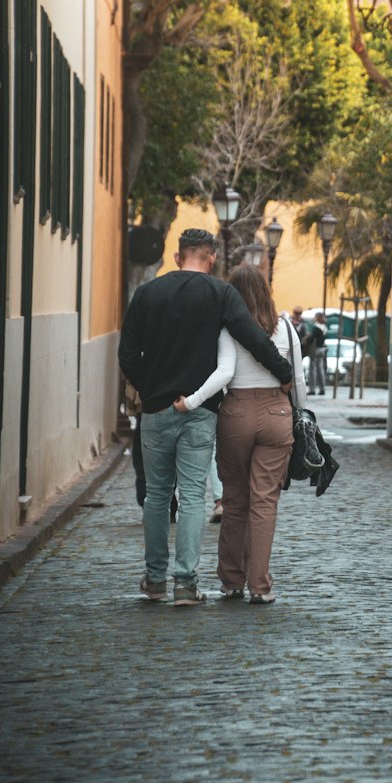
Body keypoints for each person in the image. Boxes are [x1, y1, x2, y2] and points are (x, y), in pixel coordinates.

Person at [118, 228, 292, 607]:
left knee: (157, 496)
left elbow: (127, 353)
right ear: (211, 258)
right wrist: (282, 372)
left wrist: (149, 389)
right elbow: (252, 336)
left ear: (178, 256)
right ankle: (185, 584)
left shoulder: (146, 294)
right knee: (195, 495)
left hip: (156, 409)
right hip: (200, 413)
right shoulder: (220, 293)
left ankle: (154, 579)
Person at [214, 265, 307, 605]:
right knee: (265, 501)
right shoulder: (285, 328)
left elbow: (221, 373)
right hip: (276, 412)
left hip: (236, 411)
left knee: (234, 498)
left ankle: (231, 581)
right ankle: (260, 585)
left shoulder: (226, 328)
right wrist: (305, 420)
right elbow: (297, 379)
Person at [308, 311, 328, 395]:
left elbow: (311, 338)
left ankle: (312, 389)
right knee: (321, 369)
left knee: (312, 370)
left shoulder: (316, 327)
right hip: (322, 349)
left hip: (315, 350)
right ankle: (322, 388)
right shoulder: (325, 327)